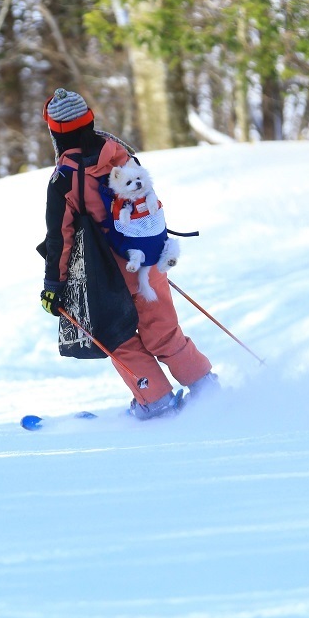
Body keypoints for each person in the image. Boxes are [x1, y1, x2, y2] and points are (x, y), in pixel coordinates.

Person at [39, 87, 217, 420]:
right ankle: (207, 387)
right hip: (149, 258)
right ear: (89, 120)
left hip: (105, 274)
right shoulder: (120, 153)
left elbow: (60, 238)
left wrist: (53, 284)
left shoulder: (64, 177)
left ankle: (156, 399)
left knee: (115, 335)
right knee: (163, 331)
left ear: (56, 132)